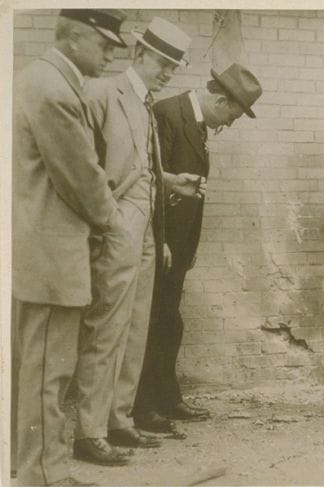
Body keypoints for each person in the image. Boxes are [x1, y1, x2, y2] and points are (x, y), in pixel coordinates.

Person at [73, 17, 204, 466]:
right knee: (106, 326)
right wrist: (102, 222)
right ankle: (89, 431)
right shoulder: (104, 94)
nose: (168, 72)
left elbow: (141, 168)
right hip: (116, 223)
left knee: (135, 326)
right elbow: (84, 166)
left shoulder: (146, 102)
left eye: (173, 66)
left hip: (146, 225)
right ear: (139, 54)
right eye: (161, 61)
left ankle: (118, 419)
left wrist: (171, 180)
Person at [12, 9, 127, 485]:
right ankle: (43, 475)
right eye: (104, 44)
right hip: (52, 255)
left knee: (40, 370)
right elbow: (81, 174)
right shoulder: (54, 88)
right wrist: (112, 221)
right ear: (76, 37)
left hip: (44, 250)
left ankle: (34, 465)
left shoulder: (44, 79)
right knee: (48, 374)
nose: (109, 54)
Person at [133, 64, 263, 433]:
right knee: (154, 321)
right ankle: (143, 407)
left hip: (177, 246)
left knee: (169, 321)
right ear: (220, 100)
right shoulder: (167, 115)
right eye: (231, 118)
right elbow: (151, 183)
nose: (227, 125)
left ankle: (166, 398)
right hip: (160, 244)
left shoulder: (195, 122)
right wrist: (159, 241)